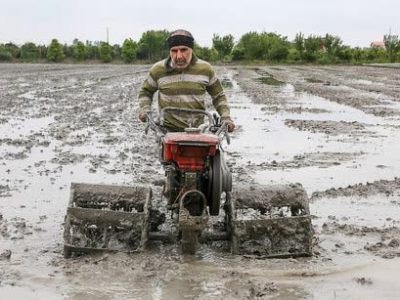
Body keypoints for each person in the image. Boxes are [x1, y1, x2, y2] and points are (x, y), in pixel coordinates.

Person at [138, 29, 235, 132]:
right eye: (174, 51)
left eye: (183, 50)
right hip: (167, 130)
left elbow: (218, 96)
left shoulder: (205, 69)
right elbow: (146, 91)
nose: (179, 56)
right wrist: (145, 110)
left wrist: (225, 117)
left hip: (197, 130)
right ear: (169, 51)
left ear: (191, 50)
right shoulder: (158, 70)